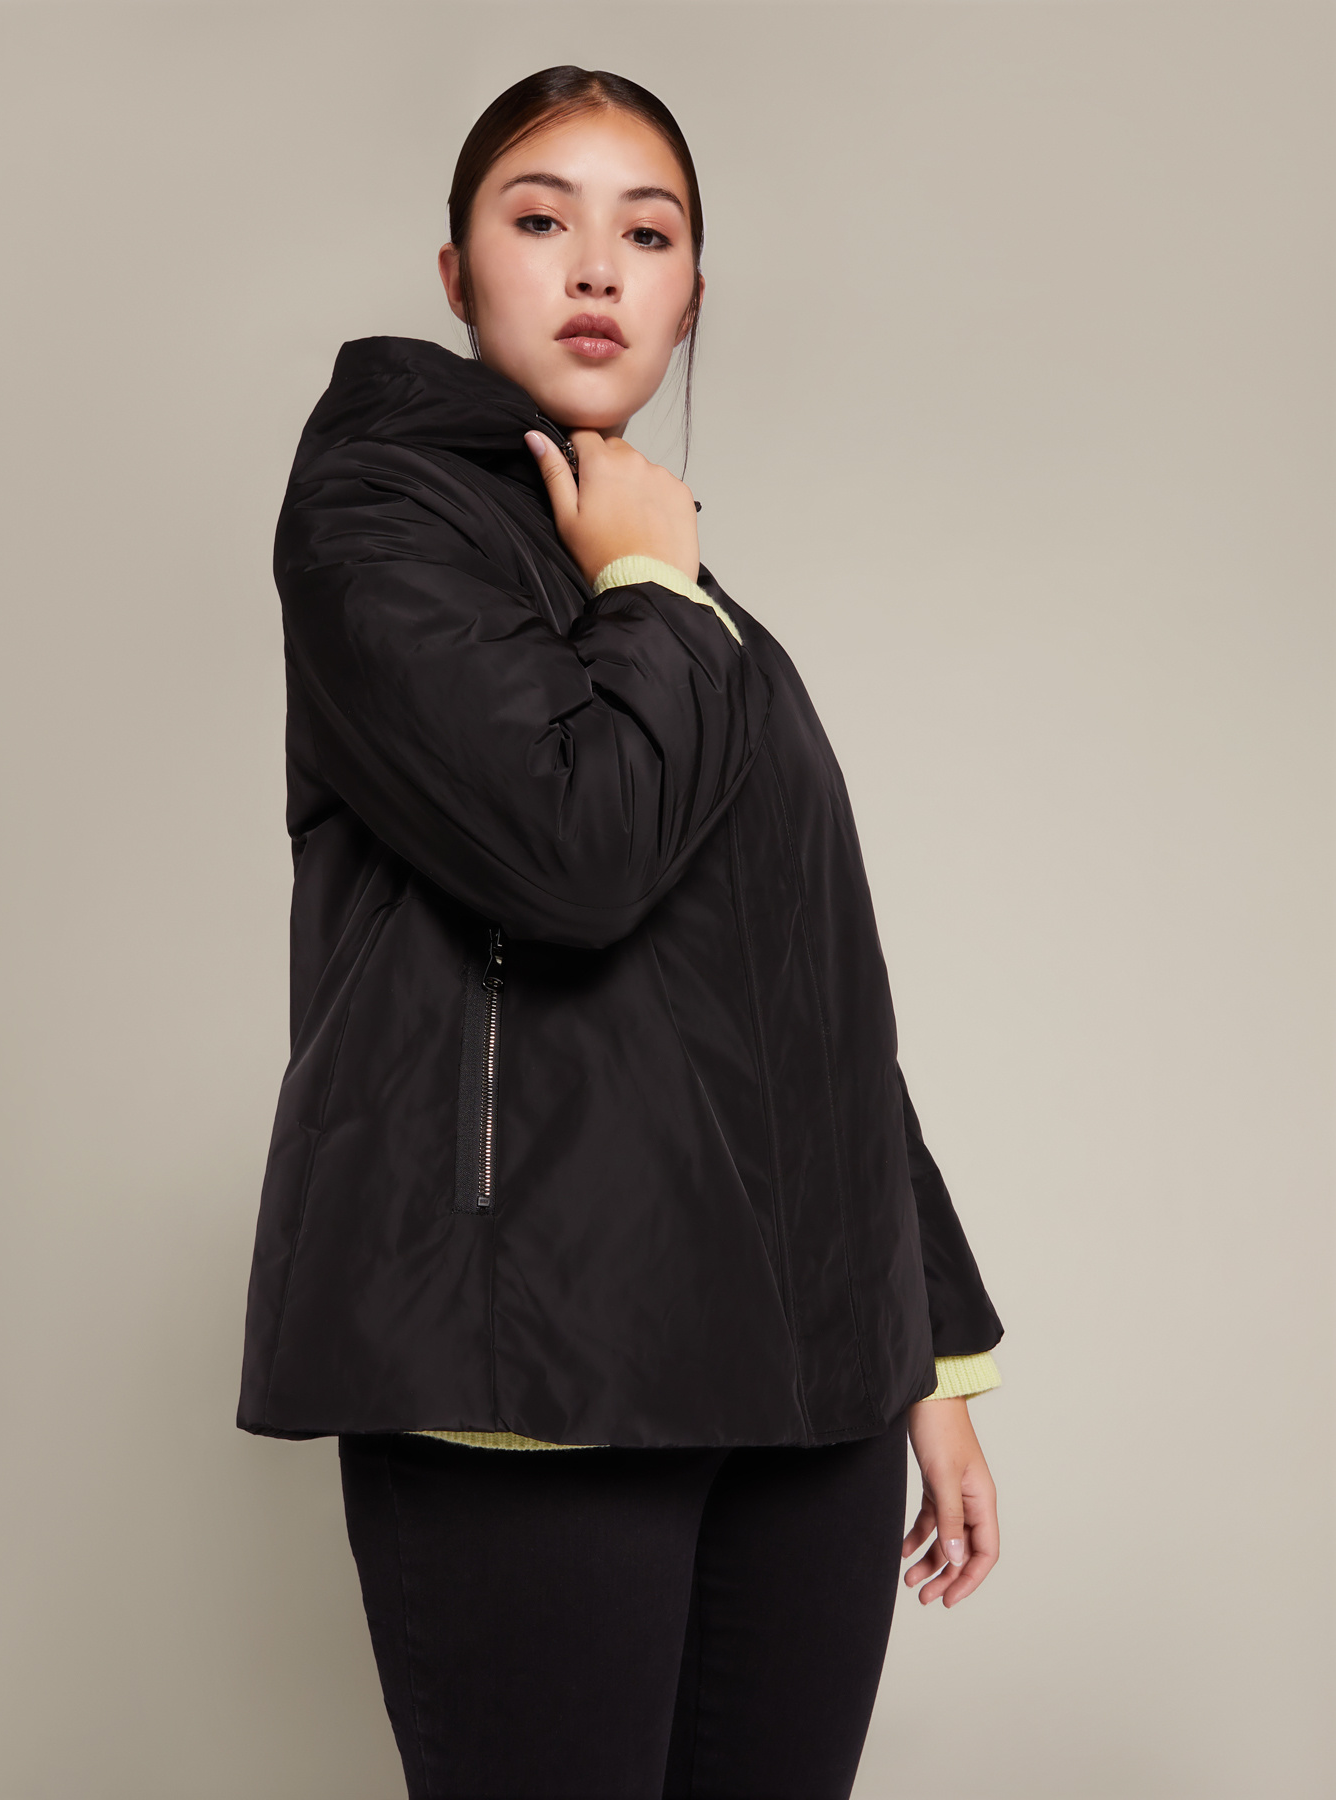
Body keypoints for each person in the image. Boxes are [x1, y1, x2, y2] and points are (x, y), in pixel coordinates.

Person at [237, 64, 1006, 1799]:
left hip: (802, 1387)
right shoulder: (379, 520)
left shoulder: (673, 592)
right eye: (541, 218)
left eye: (645, 235)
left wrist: (926, 1357)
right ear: (455, 271)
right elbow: (572, 856)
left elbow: (811, 997)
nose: (595, 266)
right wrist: (648, 580)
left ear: (691, 295)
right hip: (534, 1368)